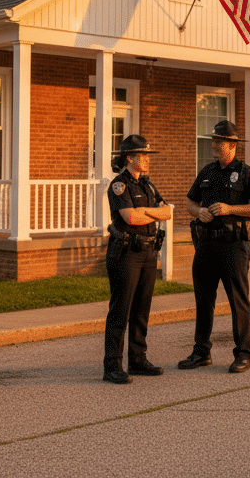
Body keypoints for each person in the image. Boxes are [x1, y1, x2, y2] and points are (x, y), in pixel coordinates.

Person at [178, 120, 250, 374]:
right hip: (206, 243)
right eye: (213, 141)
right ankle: (201, 352)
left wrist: (231, 209)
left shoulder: (246, 173)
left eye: (218, 142)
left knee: (237, 300)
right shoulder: (206, 172)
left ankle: (243, 354)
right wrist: (199, 212)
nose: (214, 145)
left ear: (232, 145)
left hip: (233, 245)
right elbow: (189, 202)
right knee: (203, 299)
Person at [102, 134, 172, 384]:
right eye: (142, 155)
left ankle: (138, 359)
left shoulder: (147, 185)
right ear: (129, 158)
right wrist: (154, 214)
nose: (147, 160)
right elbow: (130, 218)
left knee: (142, 308)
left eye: (147, 155)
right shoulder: (119, 186)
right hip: (127, 253)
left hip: (149, 252)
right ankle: (112, 365)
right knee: (121, 309)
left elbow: (168, 212)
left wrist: (147, 212)